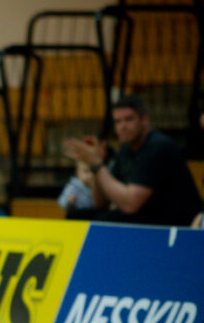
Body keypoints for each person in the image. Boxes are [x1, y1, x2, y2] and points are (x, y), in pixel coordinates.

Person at [64, 95, 202, 226]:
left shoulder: (158, 147)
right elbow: (101, 203)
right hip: (146, 217)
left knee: (105, 219)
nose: (122, 126)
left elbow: (130, 205)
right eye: (118, 121)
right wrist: (94, 164)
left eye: (128, 119)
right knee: (77, 216)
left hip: (176, 224)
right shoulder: (126, 149)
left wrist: (97, 165)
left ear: (144, 120)